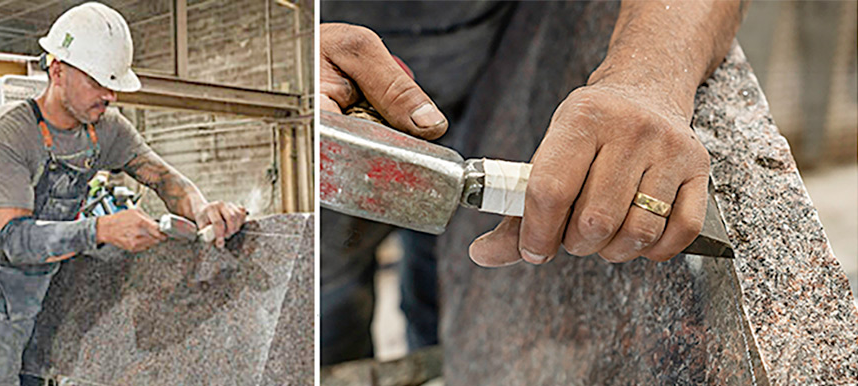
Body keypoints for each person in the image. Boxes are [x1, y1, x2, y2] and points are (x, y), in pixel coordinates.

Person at [320, 0, 748, 365]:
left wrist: (648, 79)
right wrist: (266, 69)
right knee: (322, 321)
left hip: (481, 74)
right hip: (313, 121)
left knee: (442, 292)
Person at [0, 3, 247, 386]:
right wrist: (100, 229)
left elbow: (163, 178)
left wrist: (203, 209)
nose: (110, 95)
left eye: (113, 84)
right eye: (98, 82)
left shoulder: (106, 130)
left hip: (42, 303)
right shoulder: (4, 135)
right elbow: (16, 239)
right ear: (57, 70)